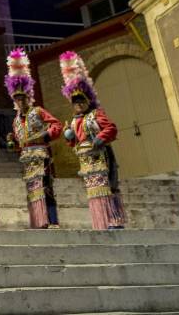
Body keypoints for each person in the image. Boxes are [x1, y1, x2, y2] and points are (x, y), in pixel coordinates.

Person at [60, 50, 126, 229]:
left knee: (107, 188)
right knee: (94, 192)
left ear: (88, 101)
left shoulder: (96, 114)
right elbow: (75, 143)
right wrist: (70, 136)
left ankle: (114, 220)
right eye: (75, 102)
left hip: (101, 156)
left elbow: (111, 128)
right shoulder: (74, 121)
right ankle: (100, 221)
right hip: (86, 161)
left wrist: (100, 138)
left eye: (81, 101)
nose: (78, 105)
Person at [4, 48, 63, 229]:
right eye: (17, 99)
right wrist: (12, 143)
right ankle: (38, 220)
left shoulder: (38, 111)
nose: (20, 101)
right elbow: (17, 143)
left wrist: (46, 134)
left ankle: (52, 220)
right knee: (32, 189)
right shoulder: (15, 121)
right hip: (27, 158)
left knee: (46, 188)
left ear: (28, 97)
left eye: (23, 98)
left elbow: (57, 126)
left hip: (40, 155)